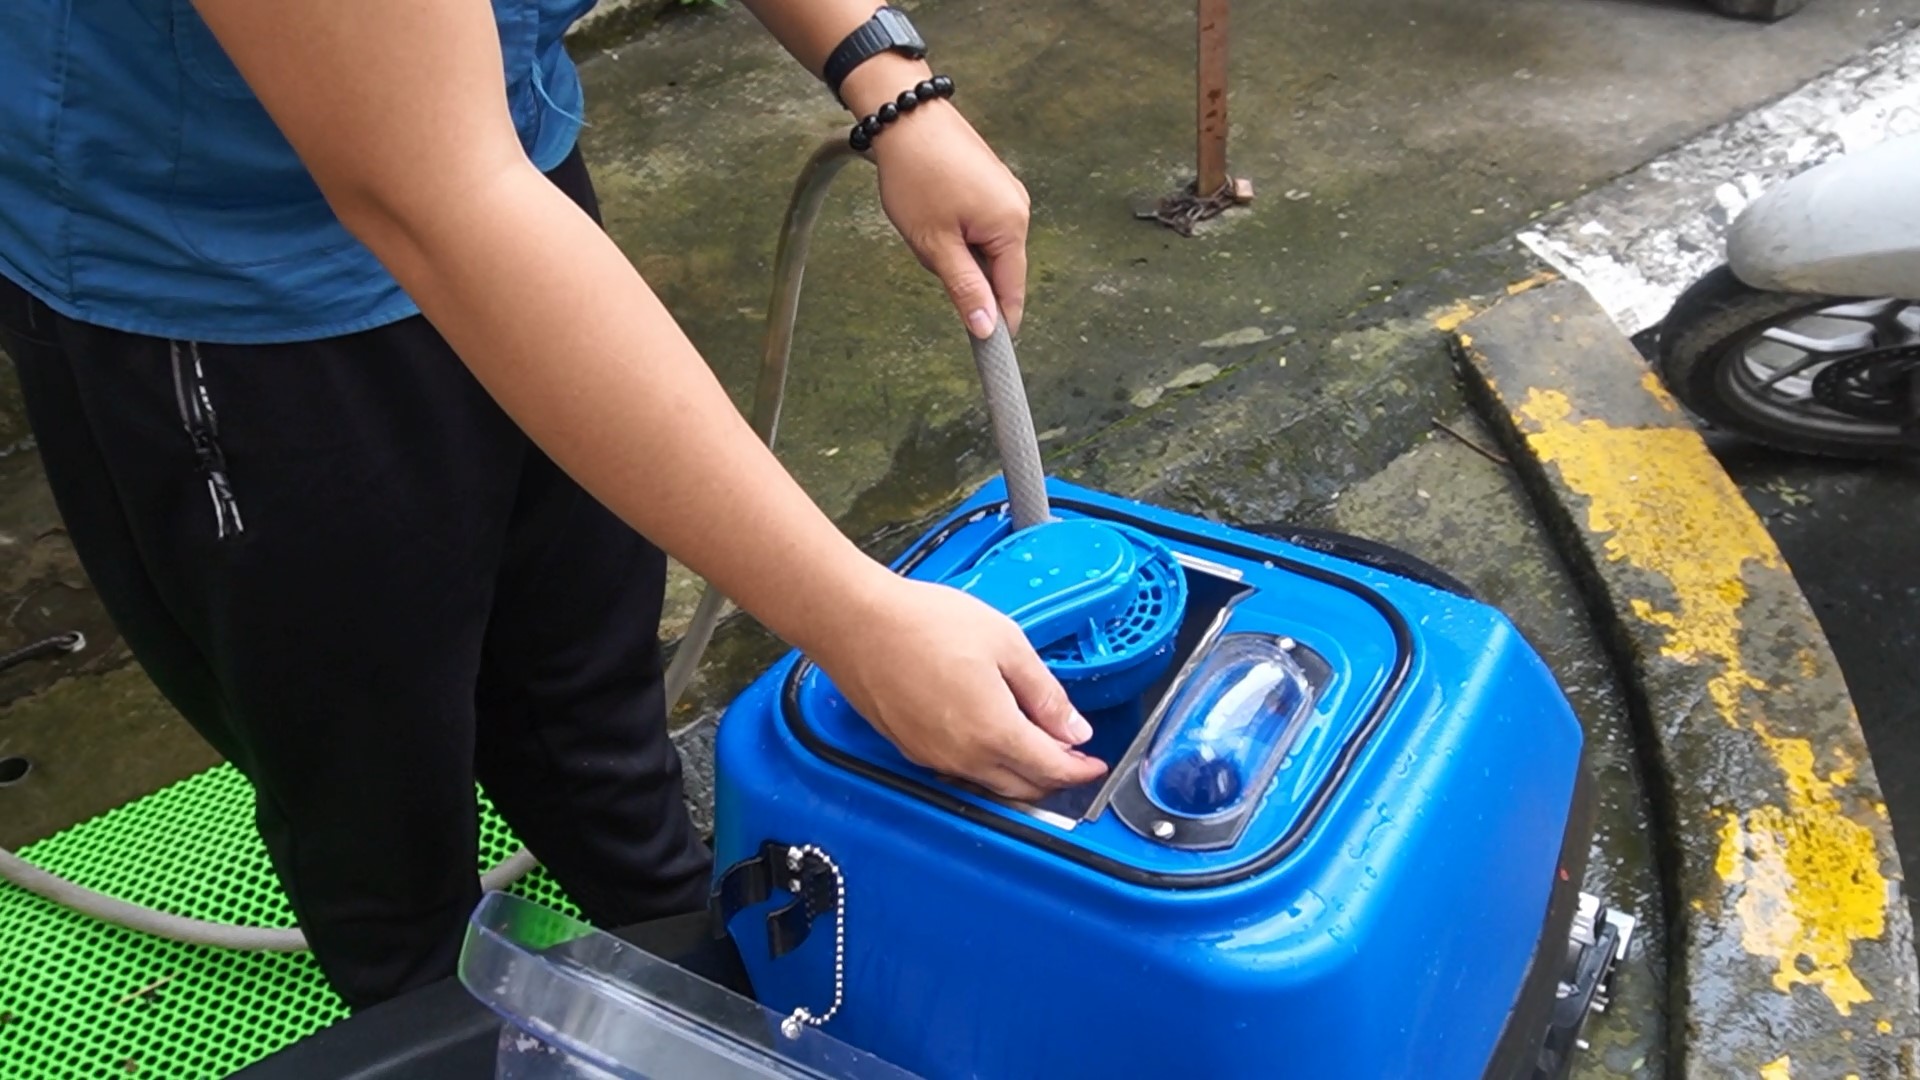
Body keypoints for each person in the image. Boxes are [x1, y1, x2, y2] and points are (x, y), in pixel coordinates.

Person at [0, 0, 1108, 1009]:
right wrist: (852, 619)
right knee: (372, 799)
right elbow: (433, 199)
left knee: (586, 685)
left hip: (506, 172)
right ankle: (433, 1009)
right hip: (238, 296)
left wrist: (884, 76)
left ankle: (694, 963)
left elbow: (466, 183)